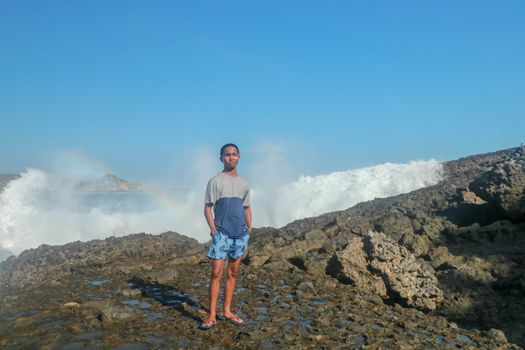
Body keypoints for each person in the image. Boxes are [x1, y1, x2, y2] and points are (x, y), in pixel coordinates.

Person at [199, 143, 252, 330]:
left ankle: (227, 311)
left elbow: (246, 207)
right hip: (222, 234)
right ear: (221, 158)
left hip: (240, 235)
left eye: (234, 154)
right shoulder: (215, 181)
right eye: (227, 155)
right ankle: (212, 315)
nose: (231, 157)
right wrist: (214, 231)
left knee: (233, 273)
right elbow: (207, 208)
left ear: (239, 157)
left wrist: (249, 229)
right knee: (216, 274)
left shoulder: (245, 183)